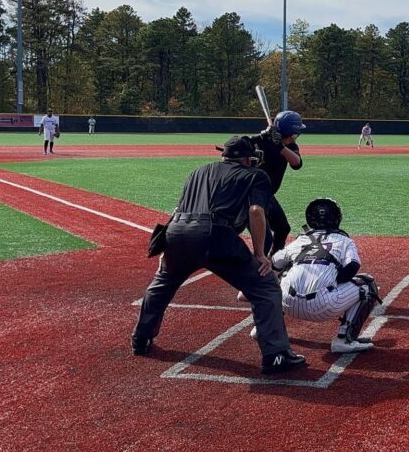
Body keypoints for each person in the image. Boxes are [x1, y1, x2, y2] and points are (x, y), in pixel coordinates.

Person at [131, 136, 306, 375]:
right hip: (215, 234)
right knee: (265, 288)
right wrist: (260, 254)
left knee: (162, 284)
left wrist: (166, 248)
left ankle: (141, 339)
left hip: (178, 231)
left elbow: (178, 209)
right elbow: (256, 211)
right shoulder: (256, 175)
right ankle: (276, 355)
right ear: (247, 159)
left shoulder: (198, 172)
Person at [270, 198, 383, 354]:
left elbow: (274, 262)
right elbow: (353, 265)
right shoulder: (344, 240)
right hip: (323, 307)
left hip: (287, 304)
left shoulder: (300, 239)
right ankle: (344, 339)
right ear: (336, 218)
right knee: (368, 285)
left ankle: (267, 328)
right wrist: (335, 281)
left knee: (284, 273)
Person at [251, 110, 305, 256]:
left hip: (267, 195)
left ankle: (275, 259)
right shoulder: (263, 141)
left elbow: (296, 163)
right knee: (265, 240)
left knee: (283, 229)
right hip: (250, 195)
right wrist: (260, 136)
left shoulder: (291, 146)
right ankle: (256, 266)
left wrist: (280, 146)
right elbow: (239, 145)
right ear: (292, 132)